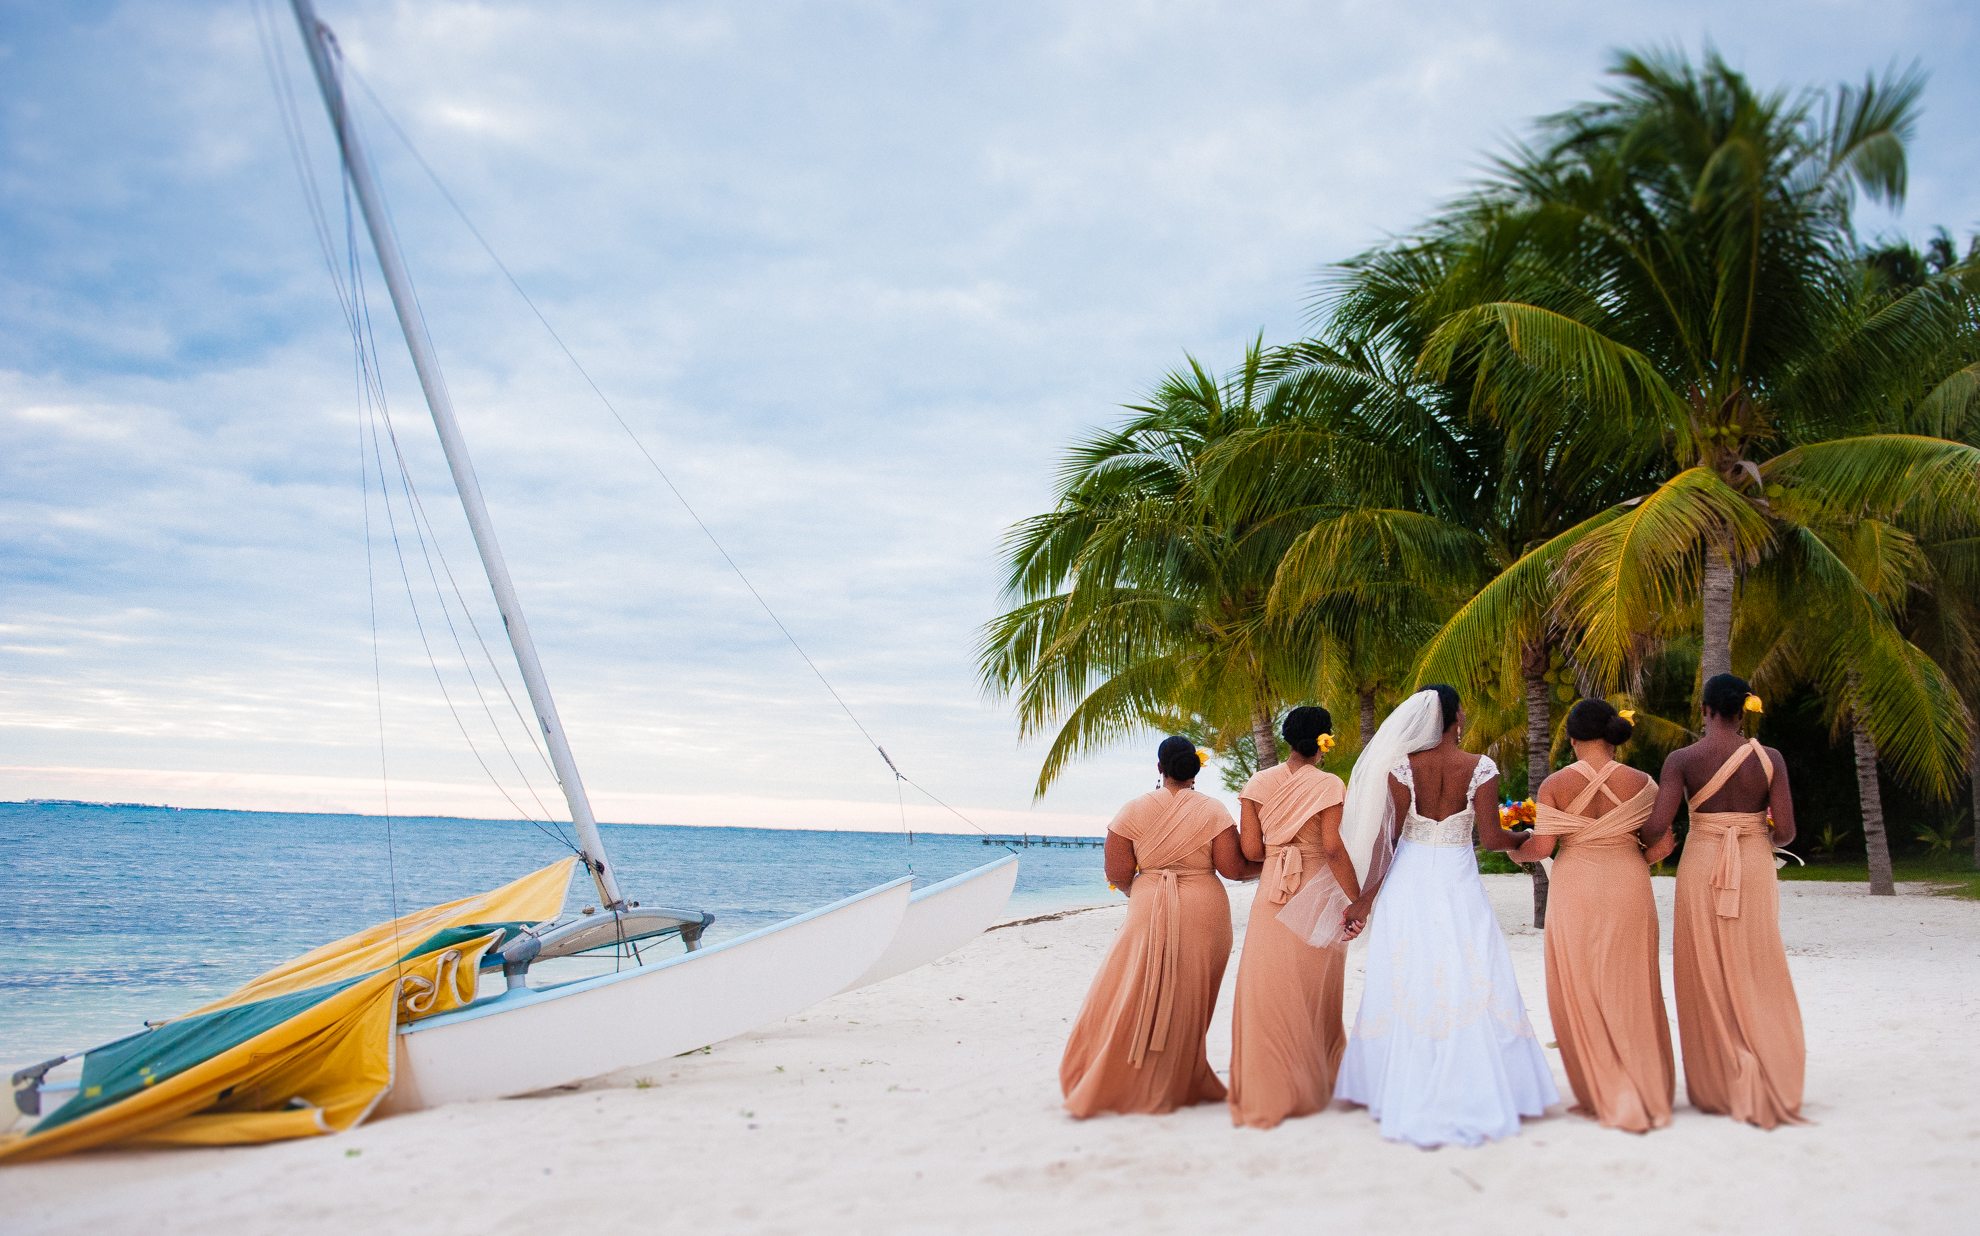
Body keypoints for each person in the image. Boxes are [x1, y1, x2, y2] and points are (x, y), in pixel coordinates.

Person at [1321, 685, 1559, 1147]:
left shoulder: (1402, 769)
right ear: (1453, 717)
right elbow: (1490, 839)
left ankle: (1399, 1079)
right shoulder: (1481, 767)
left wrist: (1366, 900)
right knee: (1470, 967)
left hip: (1407, 879)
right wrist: (1522, 839)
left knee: (1408, 970)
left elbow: (1385, 844)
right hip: (1456, 880)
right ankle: (1475, 1079)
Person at [1061, 736, 1261, 1117]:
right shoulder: (1214, 811)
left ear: (1159, 768)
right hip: (1204, 906)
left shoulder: (1131, 811)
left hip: (1148, 900)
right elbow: (1233, 869)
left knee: (1132, 984)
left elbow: (1117, 873)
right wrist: (1276, 863)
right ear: (1195, 770)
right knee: (1192, 991)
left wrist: (1145, 894)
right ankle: (1177, 1075)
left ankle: (1128, 1072)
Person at [1642, 673, 1805, 1129]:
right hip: (1753, 861)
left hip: (1702, 862)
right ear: (1742, 709)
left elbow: (1656, 826)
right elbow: (1788, 831)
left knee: (1705, 962)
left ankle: (1718, 1078)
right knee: (1756, 957)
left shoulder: (1682, 758)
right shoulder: (1770, 758)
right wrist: (1755, 835)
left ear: (1705, 709)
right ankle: (1767, 1062)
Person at [1506, 699, 1674, 1133]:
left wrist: (1512, 849)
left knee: (1580, 980)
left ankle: (1602, 1087)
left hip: (1575, 884)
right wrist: (1629, 852)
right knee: (1632, 979)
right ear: (1612, 734)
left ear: (1574, 738)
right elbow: (1662, 847)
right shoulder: (1643, 782)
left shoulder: (1555, 784)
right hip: (1627, 882)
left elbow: (1542, 848)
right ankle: (1642, 1084)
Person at [1227, 706, 1355, 1128]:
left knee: (1269, 985)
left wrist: (1283, 848)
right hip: (1319, 889)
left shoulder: (1259, 782)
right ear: (1323, 741)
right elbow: (1333, 848)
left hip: (1273, 891)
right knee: (1317, 987)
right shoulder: (1331, 783)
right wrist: (1357, 899)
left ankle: (1272, 1085)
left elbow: (1251, 852)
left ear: (1286, 739)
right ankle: (1317, 1078)